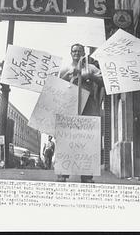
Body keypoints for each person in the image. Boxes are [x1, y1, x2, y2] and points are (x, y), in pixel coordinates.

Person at [57, 43, 103, 183]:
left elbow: (104, 82)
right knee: (67, 139)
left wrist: (91, 76)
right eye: (74, 51)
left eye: (79, 51)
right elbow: (57, 87)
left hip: (88, 106)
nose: (76, 53)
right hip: (69, 107)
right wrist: (67, 76)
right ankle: (63, 173)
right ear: (71, 53)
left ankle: (87, 176)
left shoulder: (91, 68)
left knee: (87, 140)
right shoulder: (65, 68)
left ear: (83, 53)